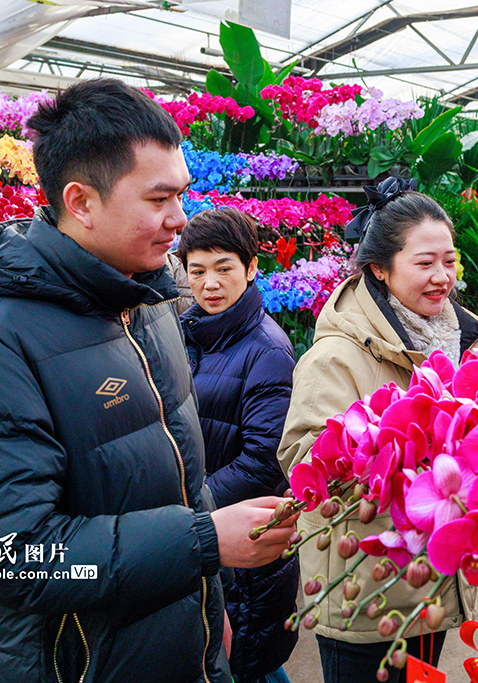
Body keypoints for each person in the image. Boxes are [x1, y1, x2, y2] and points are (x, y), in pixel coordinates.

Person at [0, 78, 296, 683]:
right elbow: (9, 562)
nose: (181, 218)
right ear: (81, 201)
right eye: (158, 199)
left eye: (181, 194)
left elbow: (181, 481)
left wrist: (207, 605)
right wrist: (204, 543)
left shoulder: (149, 306)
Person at [277, 178, 478, 683]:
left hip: (431, 577)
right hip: (365, 582)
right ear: (379, 268)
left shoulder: (465, 342)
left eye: (449, 261)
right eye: (424, 263)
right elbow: (302, 460)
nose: (442, 277)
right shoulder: (335, 356)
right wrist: (394, 447)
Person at [177, 208, 299, 683]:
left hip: (245, 540)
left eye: (224, 268)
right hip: (210, 532)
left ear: (250, 269)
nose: (210, 284)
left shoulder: (267, 349)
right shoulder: (187, 335)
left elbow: (264, 461)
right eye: (198, 271)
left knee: (249, 661)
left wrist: (190, 508)